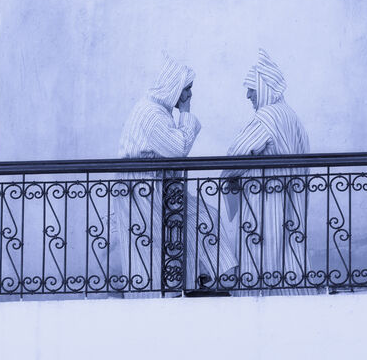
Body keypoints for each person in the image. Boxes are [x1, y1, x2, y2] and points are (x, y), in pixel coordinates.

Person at [112, 54, 237, 296]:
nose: (190, 95)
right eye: (187, 89)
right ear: (174, 88)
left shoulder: (159, 111)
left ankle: (210, 277)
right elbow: (178, 149)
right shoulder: (151, 114)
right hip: (141, 188)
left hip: (160, 187)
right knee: (147, 243)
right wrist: (187, 114)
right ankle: (154, 295)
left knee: (203, 216)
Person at [222, 48, 313, 296]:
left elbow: (236, 153)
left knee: (261, 250)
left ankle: (258, 300)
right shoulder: (291, 116)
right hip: (291, 197)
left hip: (265, 198)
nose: (248, 95)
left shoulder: (266, 117)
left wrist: (228, 178)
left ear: (263, 87)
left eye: (252, 88)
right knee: (288, 252)